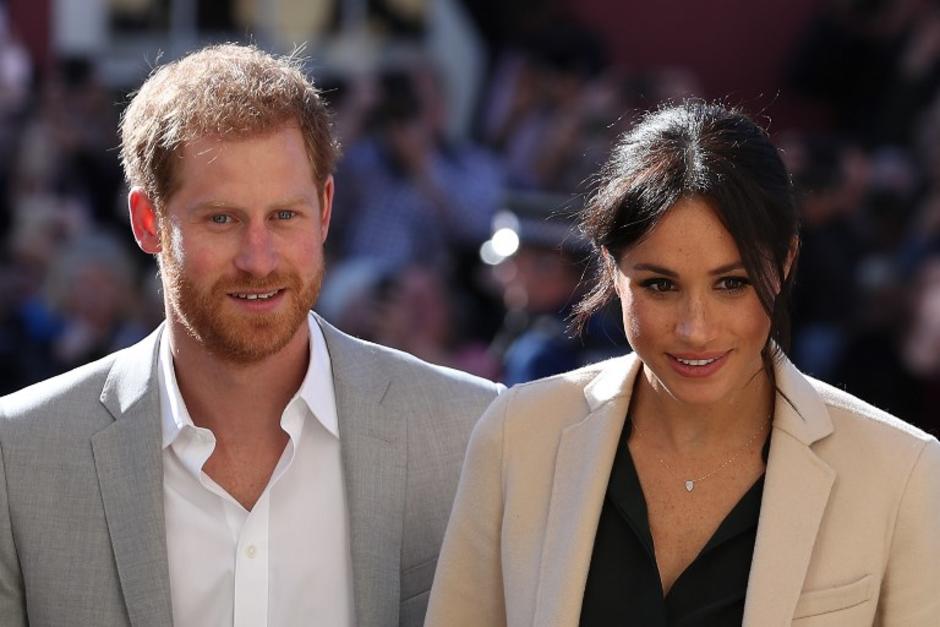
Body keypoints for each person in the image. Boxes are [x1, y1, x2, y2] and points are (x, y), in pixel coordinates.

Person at [0, 44, 501, 627]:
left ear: (326, 209)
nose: (259, 260)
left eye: (285, 216)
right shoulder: (21, 457)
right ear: (146, 222)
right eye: (222, 219)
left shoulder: (467, 433)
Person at [425, 101, 940, 625]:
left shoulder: (898, 470)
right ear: (611, 265)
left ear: (785, 262)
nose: (696, 328)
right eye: (660, 285)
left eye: (731, 284)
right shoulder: (518, 436)